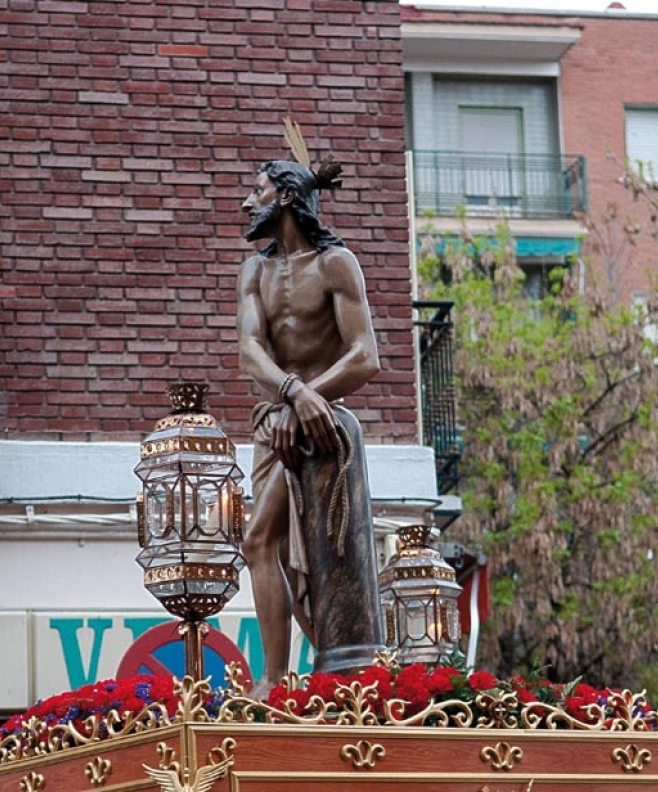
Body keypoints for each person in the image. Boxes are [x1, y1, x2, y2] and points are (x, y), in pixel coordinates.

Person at [237, 157, 382, 700]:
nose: (247, 203)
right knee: (258, 542)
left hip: (322, 428)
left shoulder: (336, 265)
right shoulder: (254, 271)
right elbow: (249, 350)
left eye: (258, 192)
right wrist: (293, 394)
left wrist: (312, 399)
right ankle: (274, 673)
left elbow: (365, 355)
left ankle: (295, 671)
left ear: (288, 200)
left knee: (286, 541)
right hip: (277, 420)